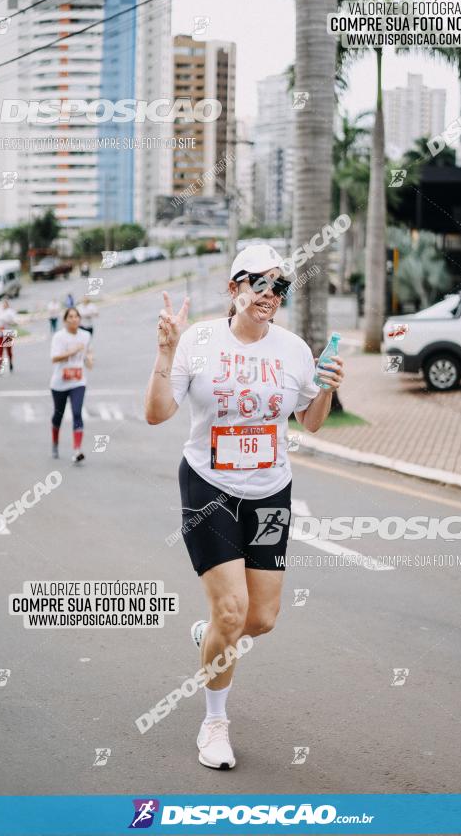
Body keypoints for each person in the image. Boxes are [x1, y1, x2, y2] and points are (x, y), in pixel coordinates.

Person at [144, 244, 345, 770]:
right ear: (233, 289)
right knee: (231, 612)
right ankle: (214, 722)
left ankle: (210, 634)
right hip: (209, 485)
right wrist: (165, 357)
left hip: (271, 490)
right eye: (260, 283)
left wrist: (325, 389)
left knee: (260, 619)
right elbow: (157, 414)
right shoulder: (199, 341)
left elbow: (313, 421)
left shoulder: (295, 349)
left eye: (280, 286)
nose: (271, 294)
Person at [50, 307, 93, 463]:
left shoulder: (86, 335)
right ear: (65, 320)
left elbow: (88, 354)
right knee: (58, 415)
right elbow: (54, 358)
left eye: (77, 317)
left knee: (77, 412)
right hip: (60, 383)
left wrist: (89, 359)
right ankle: (55, 443)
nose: (74, 319)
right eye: (71, 317)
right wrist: (73, 351)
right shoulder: (59, 337)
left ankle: (77, 450)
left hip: (78, 381)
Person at [0, 298, 17, 372]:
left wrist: (7, 321)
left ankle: (10, 362)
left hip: (8, 333)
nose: (4, 305)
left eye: (6, 303)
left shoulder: (11, 312)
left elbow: (14, 321)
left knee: (9, 351)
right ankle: (0, 367)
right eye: (3, 303)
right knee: (0, 351)